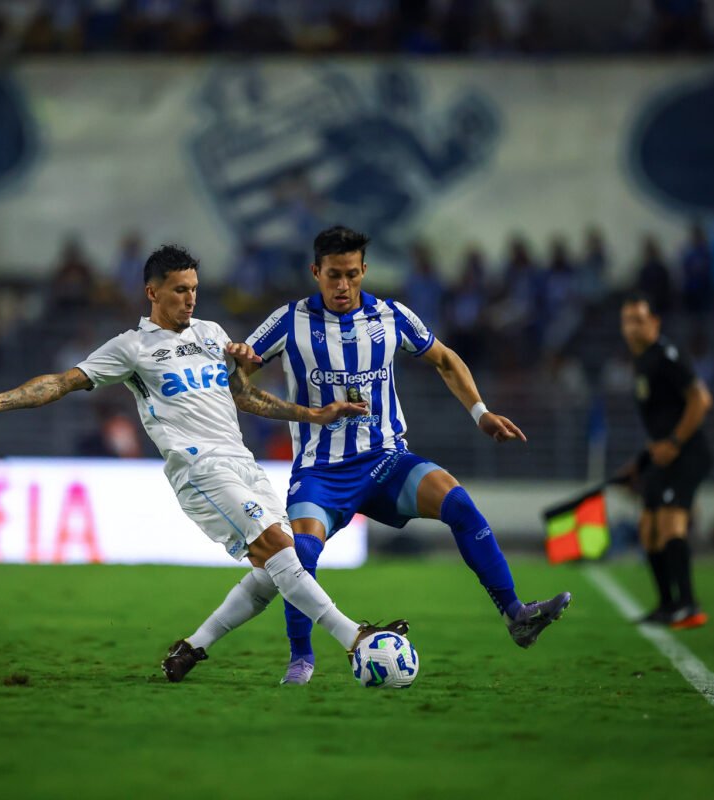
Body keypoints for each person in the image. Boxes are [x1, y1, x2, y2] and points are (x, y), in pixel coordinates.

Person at [0, 244, 402, 683]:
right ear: (152, 292)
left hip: (242, 463)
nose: (190, 298)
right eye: (179, 290)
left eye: (193, 288)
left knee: (278, 570)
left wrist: (312, 414)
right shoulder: (131, 348)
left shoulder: (211, 333)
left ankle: (194, 647)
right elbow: (62, 382)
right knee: (278, 549)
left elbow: (245, 396)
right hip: (199, 469)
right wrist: (1, 400)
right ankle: (356, 637)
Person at [242, 225, 571, 685]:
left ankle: (515, 613)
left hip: (386, 461)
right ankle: (301, 660)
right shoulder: (288, 321)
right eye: (333, 275)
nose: (343, 286)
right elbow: (236, 373)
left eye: (352, 275)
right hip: (322, 471)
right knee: (302, 554)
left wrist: (481, 413)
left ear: (364, 271)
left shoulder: (390, 316)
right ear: (315, 272)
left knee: (458, 503)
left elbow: (446, 359)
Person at [618, 292, 713, 629]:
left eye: (639, 320)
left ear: (655, 323)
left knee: (672, 523)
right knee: (647, 530)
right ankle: (667, 604)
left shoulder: (667, 355)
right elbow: (661, 419)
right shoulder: (642, 362)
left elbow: (701, 400)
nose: (632, 327)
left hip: (688, 453)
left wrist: (674, 441)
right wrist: (641, 460)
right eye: (627, 320)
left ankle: (690, 605)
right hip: (663, 455)